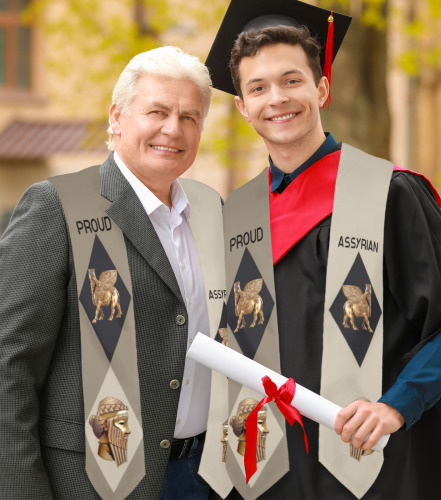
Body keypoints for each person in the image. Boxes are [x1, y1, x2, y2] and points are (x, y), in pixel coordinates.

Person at [199, 0, 441, 498]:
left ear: (321, 88)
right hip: (271, 474)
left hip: (375, 464)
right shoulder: (237, 217)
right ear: (242, 106)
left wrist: (395, 406)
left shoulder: (389, 193)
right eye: (258, 88)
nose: (277, 98)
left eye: (292, 80)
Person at [0, 46, 226, 499]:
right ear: (117, 117)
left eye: (189, 117)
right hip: (91, 482)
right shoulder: (57, 207)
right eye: (157, 111)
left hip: (201, 477)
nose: (172, 129)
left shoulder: (211, 210)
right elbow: (9, 366)